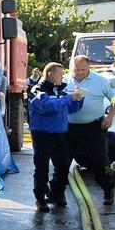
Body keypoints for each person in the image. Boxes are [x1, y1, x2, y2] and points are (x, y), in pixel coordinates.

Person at [27, 62, 83, 213]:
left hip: (60, 134)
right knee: (41, 168)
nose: (62, 77)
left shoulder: (60, 91)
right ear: (50, 75)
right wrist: (69, 98)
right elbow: (46, 106)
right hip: (42, 135)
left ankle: (57, 193)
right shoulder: (37, 90)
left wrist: (78, 98)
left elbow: (71, 108)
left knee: (63, 166)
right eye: (60, 74)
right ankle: (40, 199)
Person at [64, 54, 115, 205]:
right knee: (63, 159)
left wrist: (110, 117)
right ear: (72, 68)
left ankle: (108, 190)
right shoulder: (64, 80)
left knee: (100, 159)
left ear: (89, 67)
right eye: (76, 70)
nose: (79, 73)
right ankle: (57, 192)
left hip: (94, 125)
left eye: (82, 70)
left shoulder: (100, 81)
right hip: (69, 126)